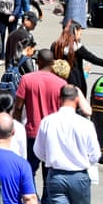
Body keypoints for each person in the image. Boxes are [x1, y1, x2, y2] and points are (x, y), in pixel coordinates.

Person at [34, 85, 101, 204]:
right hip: (79, 176)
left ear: (60, 99)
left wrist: (51, 158)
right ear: (76, 100)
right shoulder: (85, 124)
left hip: (56, 175)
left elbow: (38, 151)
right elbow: (95, 154)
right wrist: (83, 161)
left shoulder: (48, 121)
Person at [13, 49, 67, 179]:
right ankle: (47, 198)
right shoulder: (62, 84)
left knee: (29, 169)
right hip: (53, 133)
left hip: (32, 132)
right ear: (53, 63)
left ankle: (31, 196)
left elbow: (18, 107)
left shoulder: (26, 79)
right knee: (49, 171)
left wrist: (16, 127)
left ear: (39, 62)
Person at [51, 24, 103, 95]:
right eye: (80, 34)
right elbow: (94, 59)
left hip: (59, 80)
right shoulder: (77, 47)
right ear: (75, 32)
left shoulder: (55, 45)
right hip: (76, 81)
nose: (80, 36)